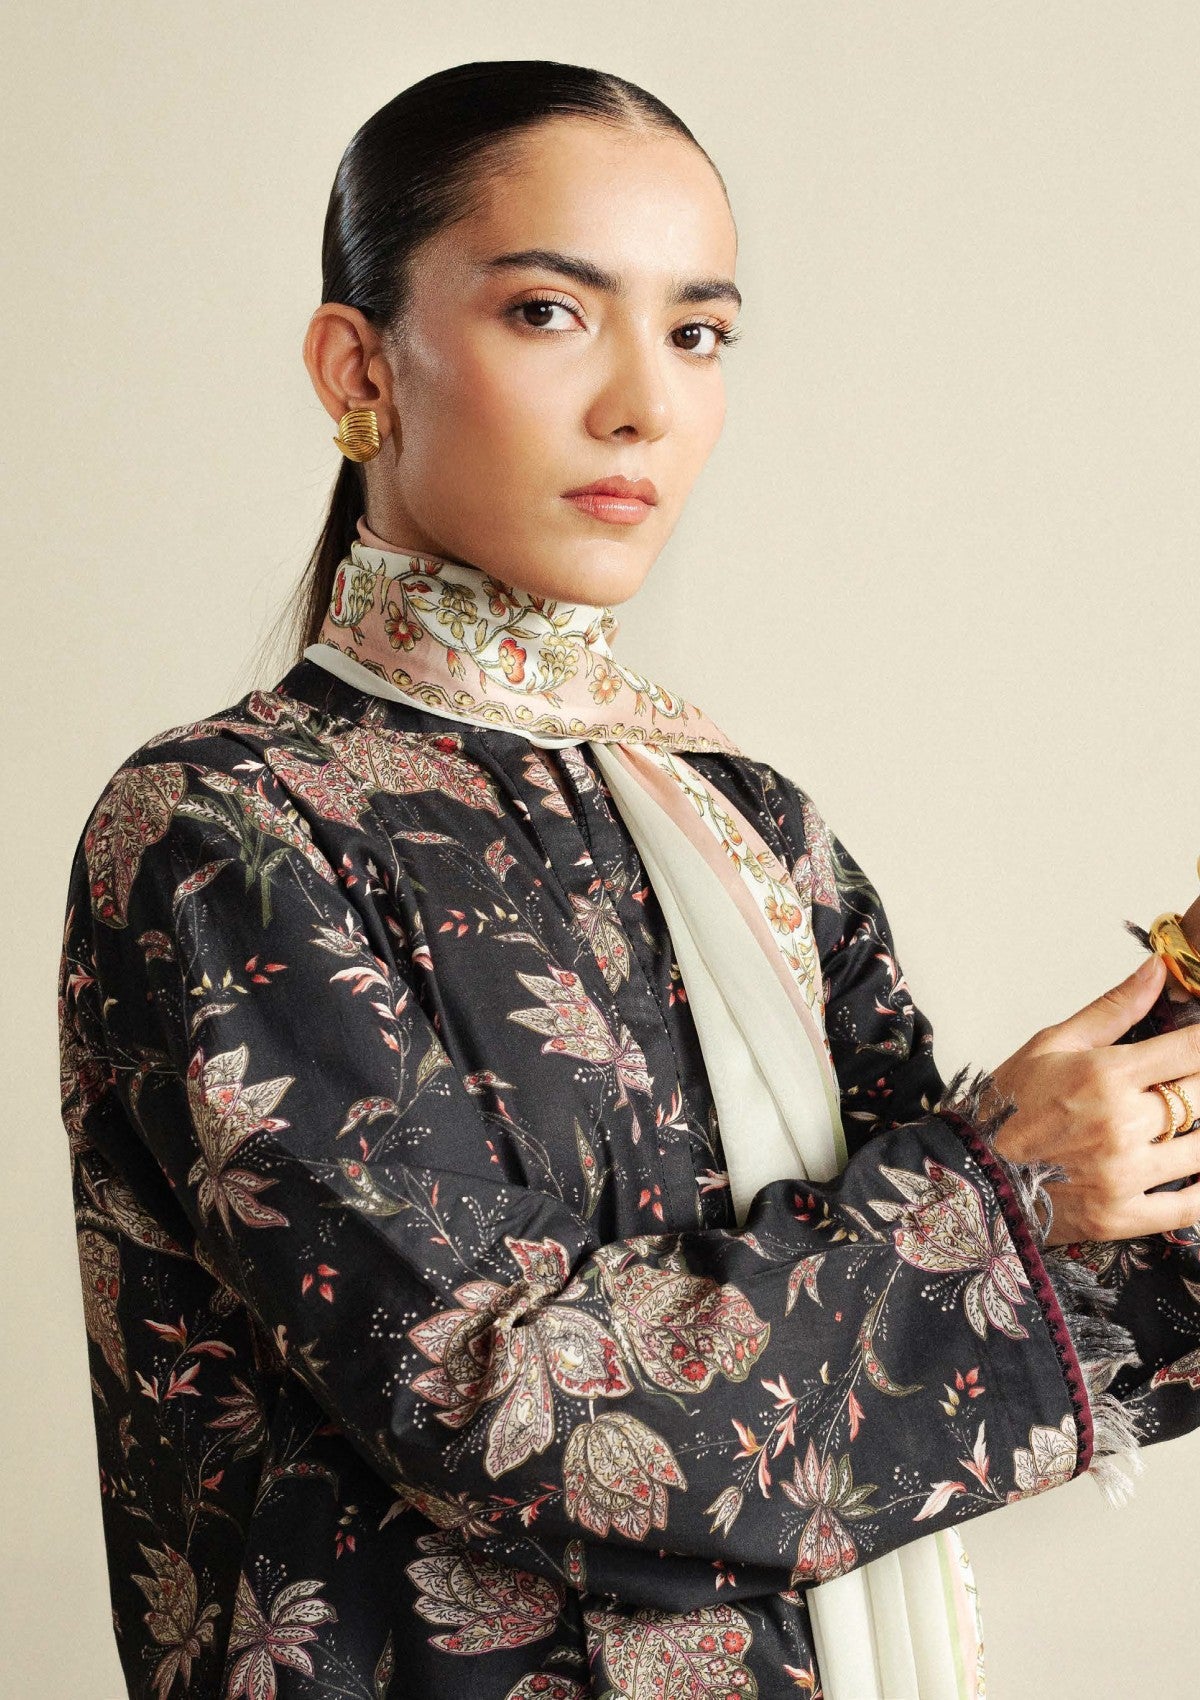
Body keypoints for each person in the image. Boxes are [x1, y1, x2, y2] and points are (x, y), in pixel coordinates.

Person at [57, 59, 1200, 1700]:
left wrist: (1137, 1122)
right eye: (550, 312)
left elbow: (928, 1337)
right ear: (358, 367)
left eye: (699, 332)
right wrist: (1008, 1198)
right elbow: (496, 1407)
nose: (643, 405)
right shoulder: (227, 827)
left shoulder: (751, 823)